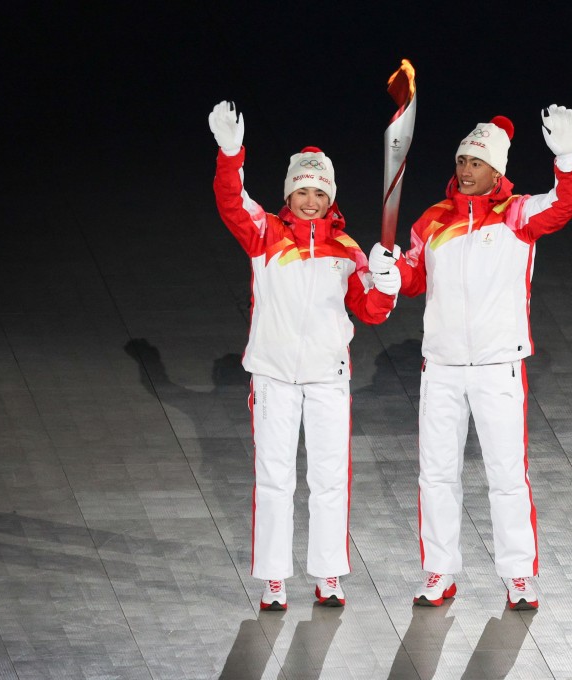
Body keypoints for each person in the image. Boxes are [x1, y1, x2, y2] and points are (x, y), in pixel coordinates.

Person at [378, 104, 572, 610]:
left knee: (507, 474)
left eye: (475, 162)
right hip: (442, 366)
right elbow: (413, 275)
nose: (465, 169)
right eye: (461, 161)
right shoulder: (432, 221)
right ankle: (439, 572)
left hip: (497, 366)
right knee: (437, 474)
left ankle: (518, 577)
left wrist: (568, 157)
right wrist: (390, 276)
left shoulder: (518, 215)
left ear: (496, 170)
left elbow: (567, 204)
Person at [208, 100, 401, 611]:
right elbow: (232, 202)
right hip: (272, 377)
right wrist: (231, 154)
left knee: (329, 479)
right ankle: (274, 578)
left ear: (330, 198)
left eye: (319, 193)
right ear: (288, 194)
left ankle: (329, 575)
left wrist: (386, 283)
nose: (310, 200)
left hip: (327, 379)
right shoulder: (264, 235)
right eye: (302, 191)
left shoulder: (348, 250)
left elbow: (373, 311)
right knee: (273, 478)